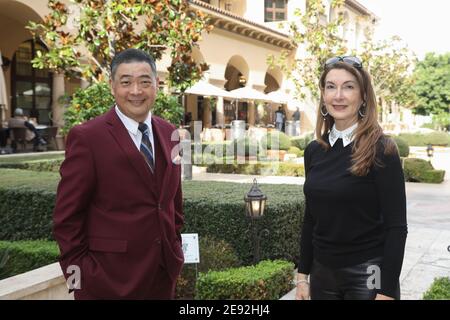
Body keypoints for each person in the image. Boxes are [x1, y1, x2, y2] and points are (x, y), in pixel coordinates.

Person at [53, 48, 184, 299]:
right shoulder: (88, 137)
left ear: (157, 85)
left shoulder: (171, 133)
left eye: (145, 82)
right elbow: (66, 217)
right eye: (126, 82)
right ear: (112, 86)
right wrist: (79, 280)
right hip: (107, 282)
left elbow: (172, 203)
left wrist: (174, 249)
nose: (136, 91)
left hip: (162, 276)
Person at [295, 56, 407, 300]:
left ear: (363, 95)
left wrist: (386, 291)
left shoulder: (382, 149)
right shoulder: (314, 150)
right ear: (323, 96)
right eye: (331, 87)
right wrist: (302, 277)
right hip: (322, 273)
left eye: (348, 86)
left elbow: (396, 227)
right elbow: (310, 219)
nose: (338, 96)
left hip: (368, 273)